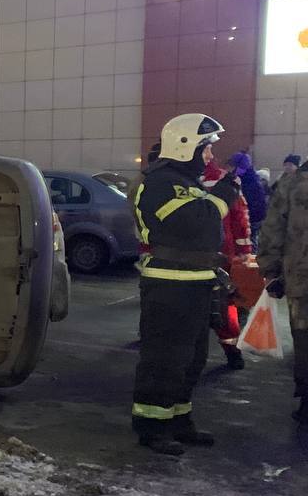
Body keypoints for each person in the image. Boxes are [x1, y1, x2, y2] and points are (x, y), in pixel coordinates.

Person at [132, 114, 239, 455]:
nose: (210, 157)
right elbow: (200, 225)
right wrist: (224, 194)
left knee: (191, 359)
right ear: (185, 146)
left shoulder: (187, 183)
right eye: (206, 148)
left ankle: (179, 421)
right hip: (168, 284)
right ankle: (152, 427)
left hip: (196, 283)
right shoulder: (159, 184)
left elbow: (206, 225)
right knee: (163, 360)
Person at [258, 156, 308, 423]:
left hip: (301, 278)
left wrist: (270, 271)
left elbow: (272, 230)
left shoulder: (291, 184)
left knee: (304, 338)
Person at [202, 158, 254, 369]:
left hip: (197, 258)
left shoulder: (175, 182)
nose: (209, 154)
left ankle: (232, 351)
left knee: (219, 307)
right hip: (222, 256)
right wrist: (243, 251)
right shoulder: (225, 180)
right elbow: (240, 219)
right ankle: (233, 353)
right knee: (223, 307)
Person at [229, 152, 267, 245]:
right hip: (254, 217)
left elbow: (249, 201)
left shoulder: (248, 182)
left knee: (250, 241)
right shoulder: (252, 178)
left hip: (251, 218)